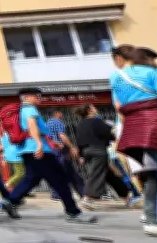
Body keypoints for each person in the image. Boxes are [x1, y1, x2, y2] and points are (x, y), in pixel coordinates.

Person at [110, 45, 157, 243]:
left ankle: (156, 220)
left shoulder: (116, 77)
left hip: (135, 129)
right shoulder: (154, 72)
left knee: (156, 175)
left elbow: (119, 107)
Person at [7, 89, 96, 224]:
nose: (39, 98)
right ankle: (73, 212)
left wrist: (51, 142)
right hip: (39, 150)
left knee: (32, 178)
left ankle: (11, 201)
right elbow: (32, 125)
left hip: (28, 149)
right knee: (60, 179)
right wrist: (39, 144)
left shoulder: (21, 110)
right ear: (26, 97)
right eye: (37, 96)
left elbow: (37, 130)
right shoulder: (30, 109)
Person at [46, 110, 84, 200]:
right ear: (56, 113)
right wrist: (71, 147)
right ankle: (83, 193)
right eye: (60, 112)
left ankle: (56, 194)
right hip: (59, 149)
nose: (62, 114)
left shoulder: (47, 123)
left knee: (58, 171)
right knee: (67, 171)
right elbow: (62, 135)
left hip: (51, 149)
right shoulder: (58, 122)